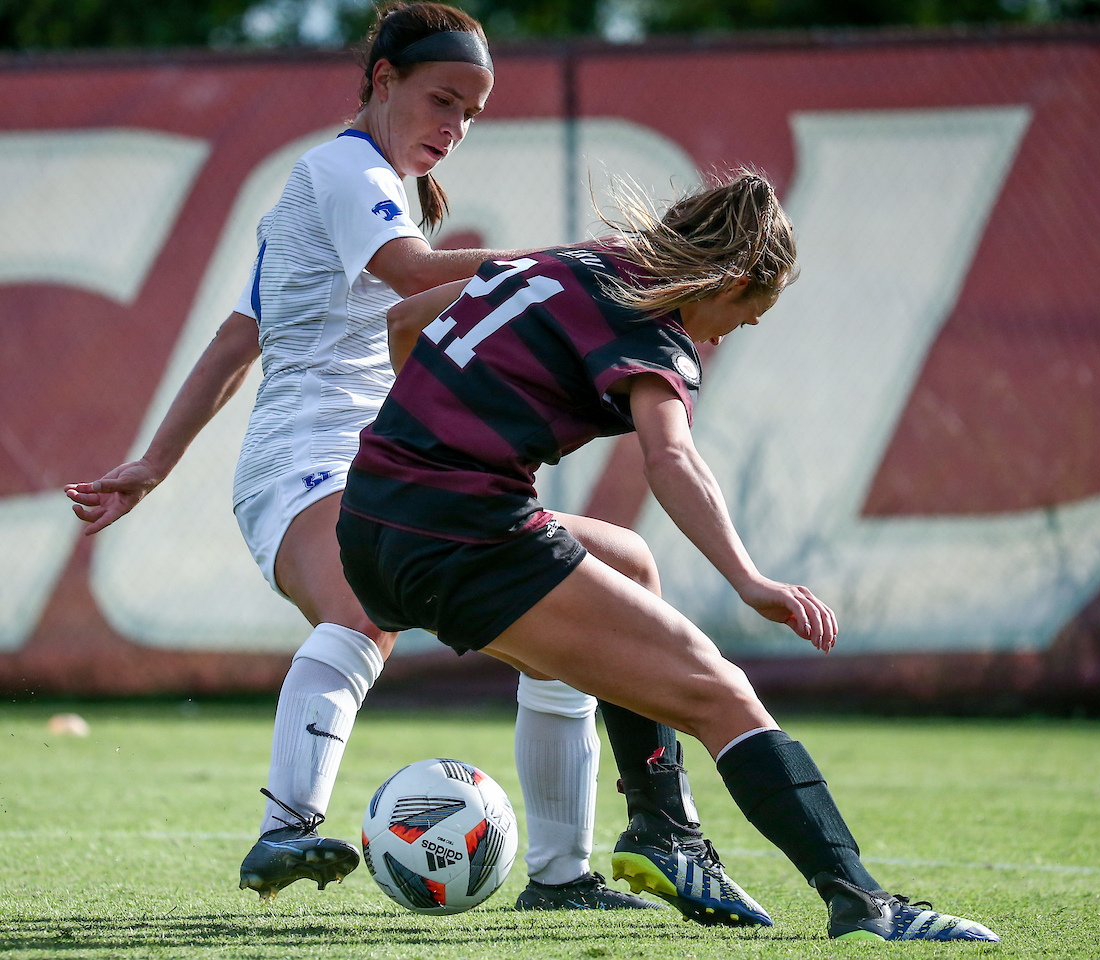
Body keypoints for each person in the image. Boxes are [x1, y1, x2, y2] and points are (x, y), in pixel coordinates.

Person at [64, 1, 767, 925]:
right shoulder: (346, 170)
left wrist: (154, 462)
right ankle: (285, 827)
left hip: (387, 464)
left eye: (472, 113)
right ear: (381, 79)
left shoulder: (351, 180)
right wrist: (574, 267)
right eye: (443, 100)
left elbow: (242, 332)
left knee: (615, 573)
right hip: (311, 459)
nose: (456, 127)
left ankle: (562, 874)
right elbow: (405, 275)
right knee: (363, 605)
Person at [337, 171, 1002, 941]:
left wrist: (431, 435)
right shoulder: (651, 322)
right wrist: (750, 580)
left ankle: (665, 830)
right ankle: (864, 901)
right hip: (462, 531)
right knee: (721, 692)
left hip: (372, 520)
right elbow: (673, 460)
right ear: (731, 279)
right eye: (748, 313)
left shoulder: (584, 261)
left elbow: (405, 322)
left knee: (627, 562)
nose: (724, 335)